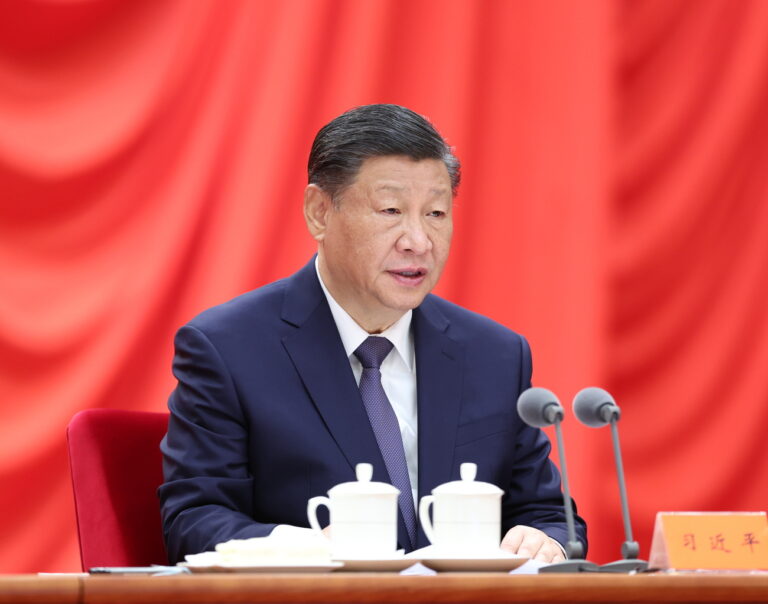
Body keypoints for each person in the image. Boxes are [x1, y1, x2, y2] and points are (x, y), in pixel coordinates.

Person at [159, 103, 587, 564]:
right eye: (390, 210)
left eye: (437, 214)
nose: (418, 241)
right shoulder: (228, 349)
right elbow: (196, 517)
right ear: (319, 212)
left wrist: (546, 539)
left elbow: (547, 512)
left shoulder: (494, 355)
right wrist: (308, 550)